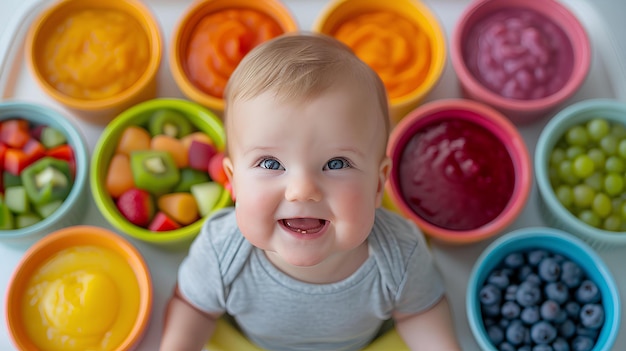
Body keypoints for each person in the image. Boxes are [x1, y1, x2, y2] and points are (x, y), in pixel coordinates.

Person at [160, 33, 461, 351]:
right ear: (233, 183)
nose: (302, 190)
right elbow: (192, 306)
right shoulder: (221, 252)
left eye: (336, 163)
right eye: (270, 163)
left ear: (377, 183)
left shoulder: (401, 253)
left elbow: (420, 311)